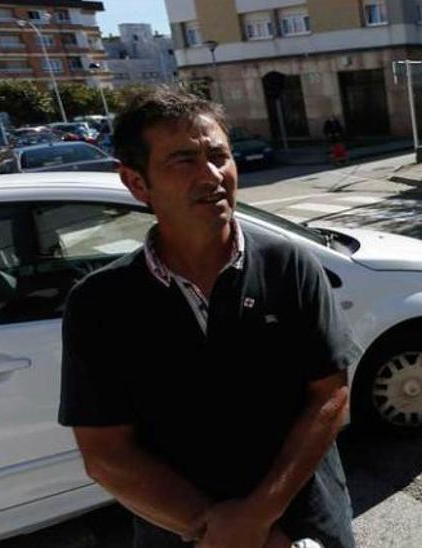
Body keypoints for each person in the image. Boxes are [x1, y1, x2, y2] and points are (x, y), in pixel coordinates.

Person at [59, 89, 359, 548]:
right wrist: (217, 529)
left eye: (219, 155)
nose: (212, 175)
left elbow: (330, 396)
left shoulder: (289, 265)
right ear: (136, 183)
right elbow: (105, 452)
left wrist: (258, 517)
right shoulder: (99, 304)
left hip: (305, 526)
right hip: (182, 534)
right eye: (183, 160)